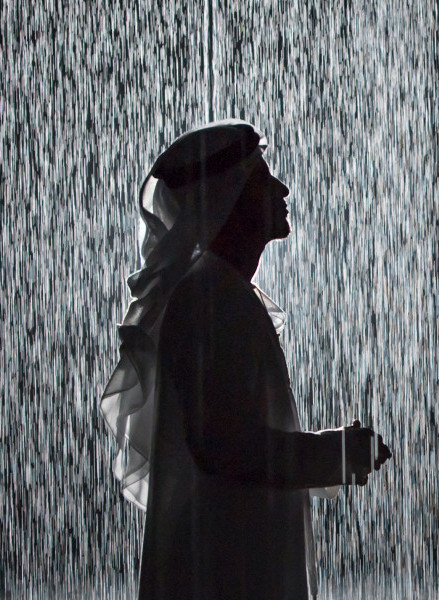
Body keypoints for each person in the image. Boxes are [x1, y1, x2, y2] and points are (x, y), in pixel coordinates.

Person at [100, 120, 392, 600]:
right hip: (225, 573)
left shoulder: (224, 293)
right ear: (228, 197)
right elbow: (224, 447)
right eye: (263, 179)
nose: (283, 188)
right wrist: (333, 454)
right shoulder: (209, 298)